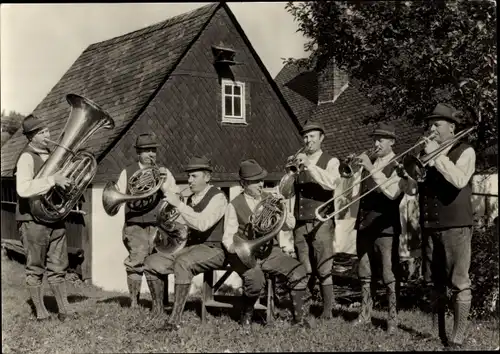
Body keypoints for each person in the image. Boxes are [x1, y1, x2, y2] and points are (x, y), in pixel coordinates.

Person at [399, 103, 476, 349]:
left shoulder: (466, 151)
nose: (431, 128)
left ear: (451, 128)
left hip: (456, 225)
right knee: (434, 282)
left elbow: (459, 180)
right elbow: (412, 190)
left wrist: (437, 156)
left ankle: (458, 336)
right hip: (431, 225)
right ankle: (436, 332)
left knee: (459, 282)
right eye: (430, 124)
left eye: (437, 124)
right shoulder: (428, 155)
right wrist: (408, 175)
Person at [223, 159, 310, 328]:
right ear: (244, 183)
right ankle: (246, 315)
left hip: (270, 251)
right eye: (255, 182)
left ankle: (299, 319)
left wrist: (284, 210)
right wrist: (239, 251)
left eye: (261, 180)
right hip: (247, 254)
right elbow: (228, 237)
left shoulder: (270, 199)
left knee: (298, 271)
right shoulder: (234, 205)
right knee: (256, 281)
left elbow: (290, 225)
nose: (260, 184)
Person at [144, 156, 228, 330]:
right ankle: (158, 310)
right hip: (190, 247)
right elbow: (183, 226)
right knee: (151, 262)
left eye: (194, 176)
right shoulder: (190, 199)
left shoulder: (218, 197)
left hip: (214, 249)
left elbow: (202, 224)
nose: (189, 181)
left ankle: (174, 319)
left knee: (182, 263)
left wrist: (179, 206)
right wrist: (166, 222)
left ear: (207, 177)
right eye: (189, 176)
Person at [14, 114, 77, 321]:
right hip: (32, 220)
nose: (48, 135)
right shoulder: (26, 157)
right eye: (41, 133)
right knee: (35, 268)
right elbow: (23, 188)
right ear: (31, 137)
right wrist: (52, 180)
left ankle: (64, 310)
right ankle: (40, 312)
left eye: (47, 130)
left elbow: (58, 184)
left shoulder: (52, 155)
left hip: (54, 217)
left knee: (59, 266)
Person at [352, 122, 406, 333]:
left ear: (392, 142)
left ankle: (392, 319)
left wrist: (370, 168)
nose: (376, 143)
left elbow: (392, 193)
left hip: (385, 228)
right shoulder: (370, 162)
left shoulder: (399, 164)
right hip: (365, 224)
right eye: (374, 139)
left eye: (380, 139)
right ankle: (365, 314)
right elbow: (355, 194)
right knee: (365, 273)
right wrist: (354, 173)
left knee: (388, 274)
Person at [288, 120, 342, 319]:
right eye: (305, 136)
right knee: (304, 266)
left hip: (322, 220)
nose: (307, 140)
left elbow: (331, 184)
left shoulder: (331, 161)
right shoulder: (298, 161)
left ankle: (328, 311)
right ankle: (304, 307)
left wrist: (309, 165)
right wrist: (289, 176)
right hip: (301, 221)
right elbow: (288, 192)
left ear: (321, 138)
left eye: (312, 136)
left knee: (324, 266)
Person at [115, 133, 177, 308]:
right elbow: (119, 196)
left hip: (159, 225)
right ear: (138, 153)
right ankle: (134, 302)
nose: (151, 154)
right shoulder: (127, 172)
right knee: (136, 262)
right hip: (135, 225)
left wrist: (163, 183)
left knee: (159, 262)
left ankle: (160, 302)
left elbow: (174, 196)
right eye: (146, 151)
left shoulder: (164, 171)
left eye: (153, 151)